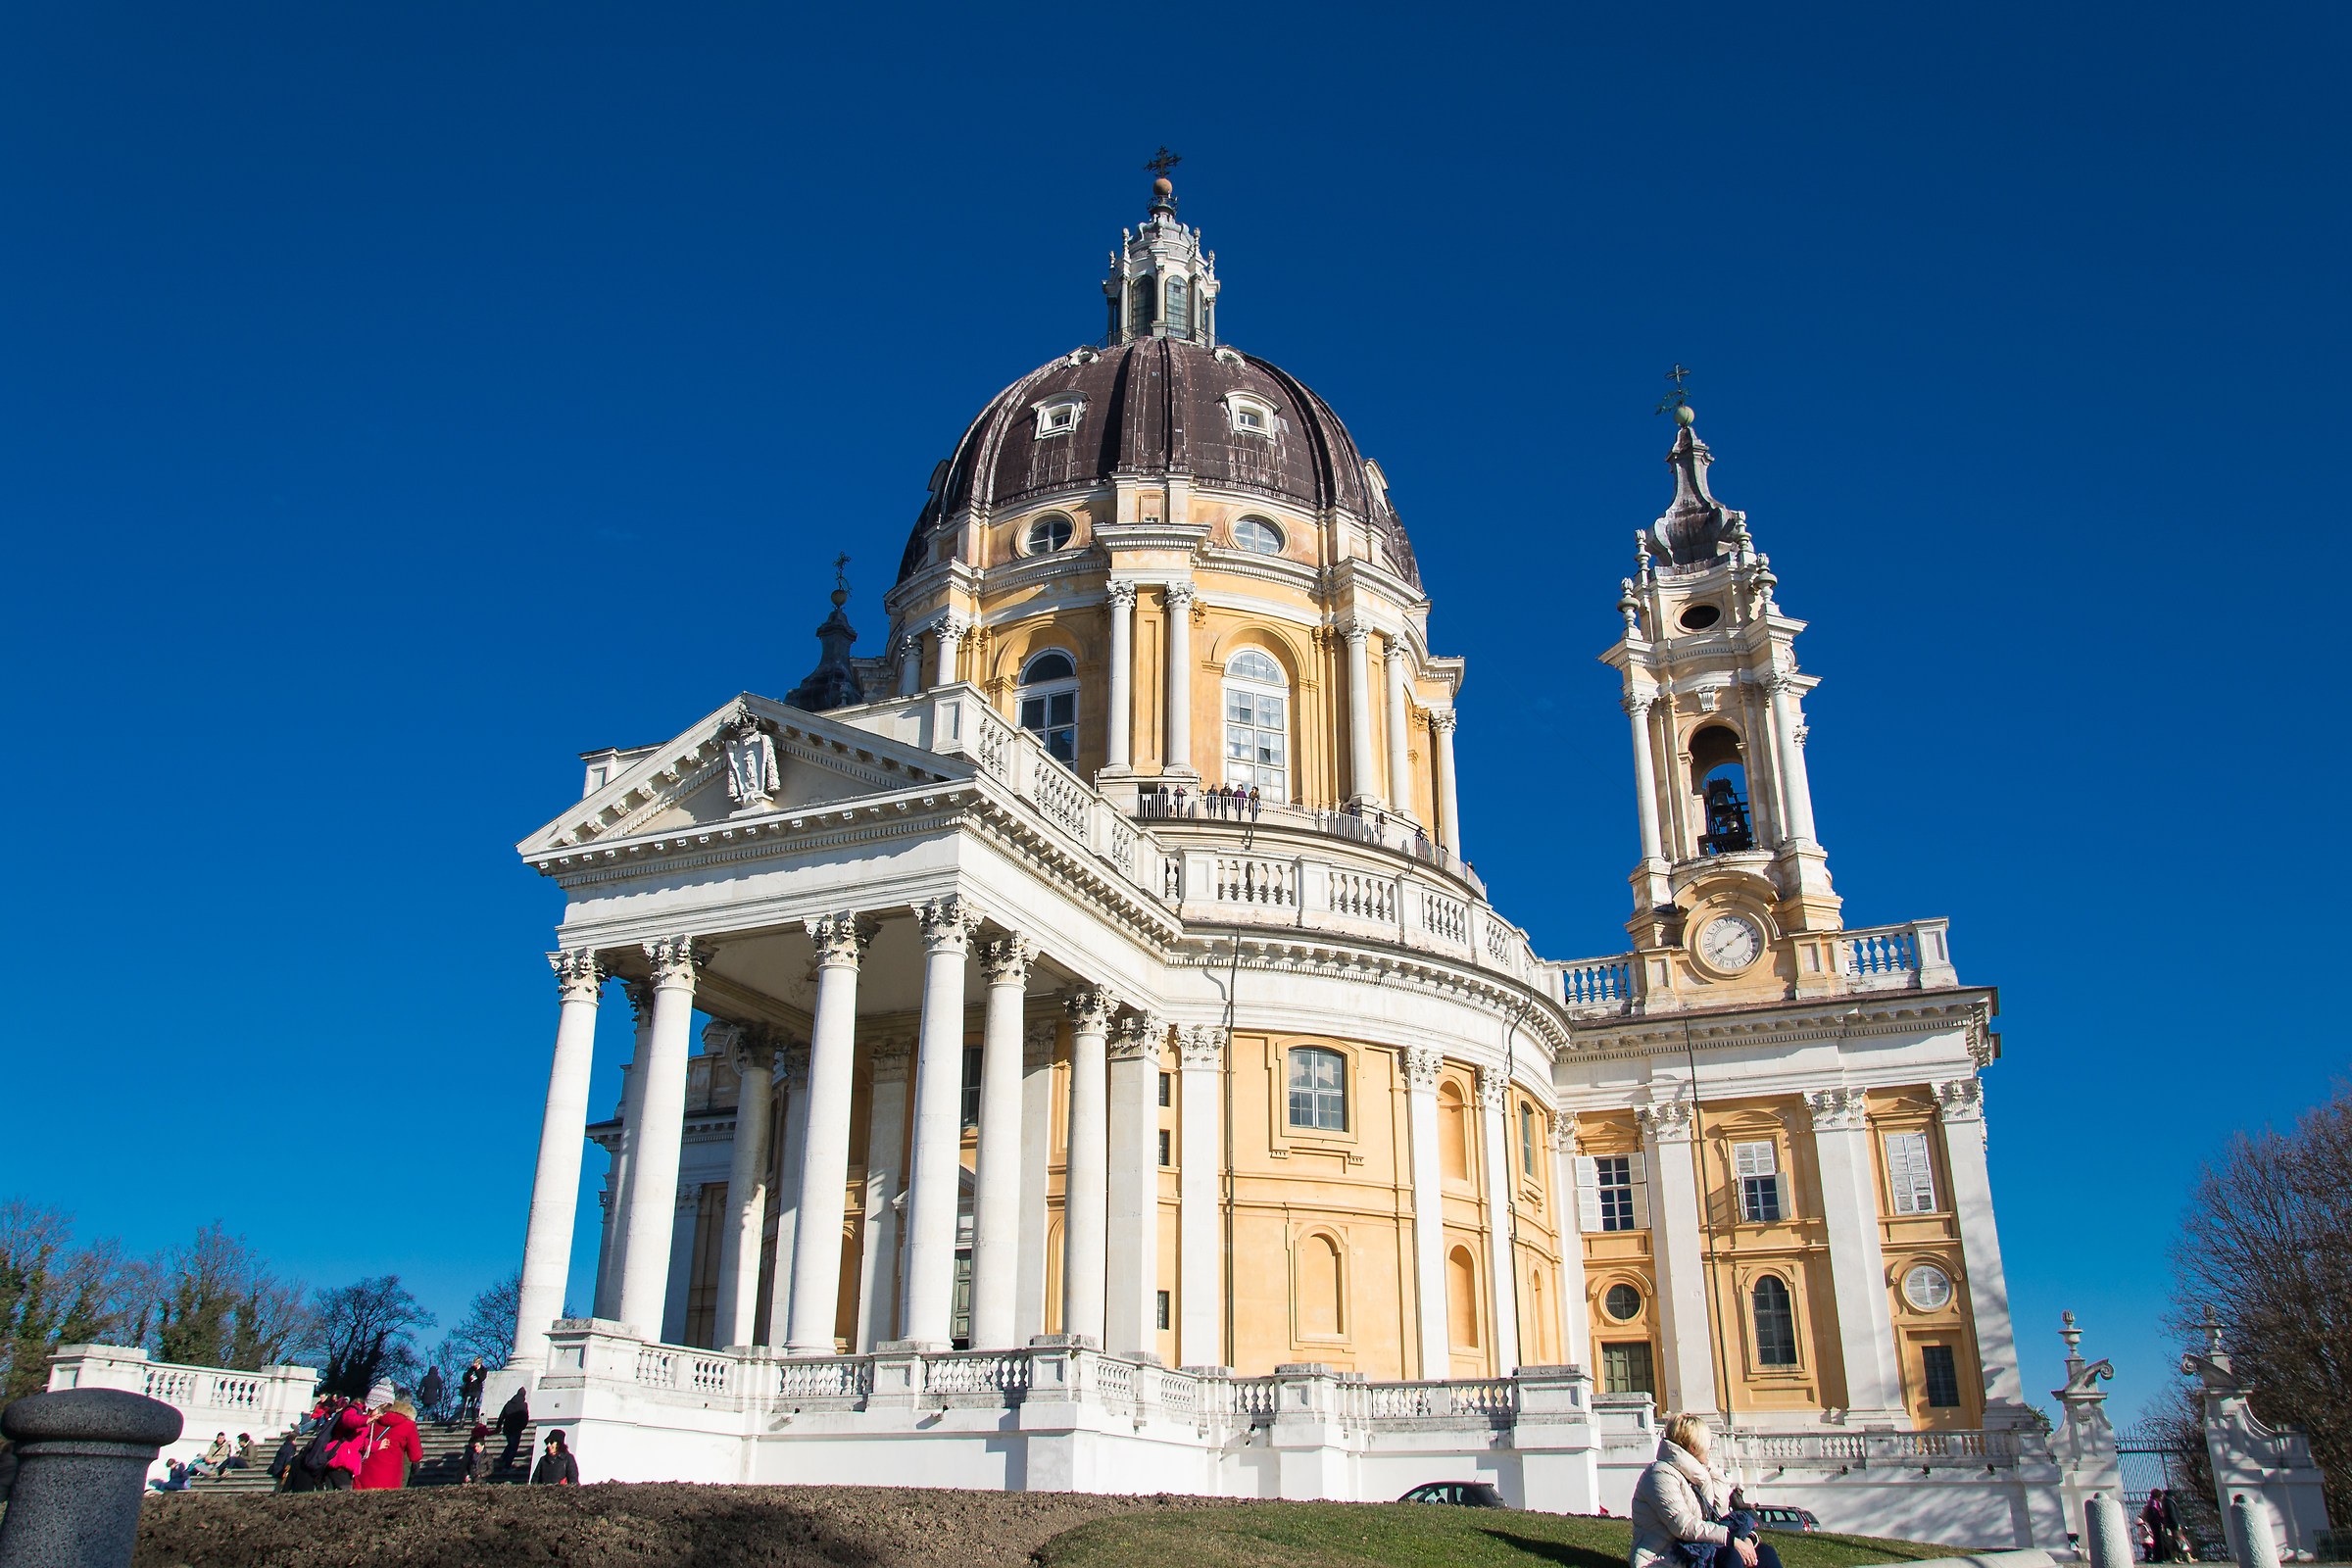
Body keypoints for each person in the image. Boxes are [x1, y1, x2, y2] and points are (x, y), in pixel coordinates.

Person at [1629, 1412, 1782, 1568]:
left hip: (1699, 1548)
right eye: (1708, 1442)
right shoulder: (1660, 1474)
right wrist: (1731, 1540)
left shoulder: (1702, 1475)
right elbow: (1683, 1526)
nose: (1711, 1447)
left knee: (1764, 1553)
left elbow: (1720, 1520)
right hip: (1665, 1557)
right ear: (1693, 1447)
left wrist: (1747, 1539)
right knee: (1729, 1556)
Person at [355, 1397, 424, 1491]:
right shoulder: (409, 1425)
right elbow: (416, 1456)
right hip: (391, 1481)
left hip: (363, 1476)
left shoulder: (372, 1420)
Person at [496, 1385, 531, 1472]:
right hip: (516, 1429)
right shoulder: (523, 1405)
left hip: (507, 1428)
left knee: (510, 1444)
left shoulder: (509, 1403)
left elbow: (501, 1416)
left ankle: (503, 1458)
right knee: (513, 1448)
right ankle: (507, 1466)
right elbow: (525, 1417)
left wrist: (498, 1426)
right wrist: (522, 1427)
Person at [461, 1357, 489, 1422]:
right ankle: (462, 1420)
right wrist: (469, 1377)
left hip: (477, 1390)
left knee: (473, 1405)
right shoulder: (471, 1369)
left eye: (476, 1363)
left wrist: (477, 1370)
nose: (474, 1364)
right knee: (465, 1405)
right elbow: (465, 1378)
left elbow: (481, 1378)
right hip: (469, 1389)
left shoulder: (483, 1370)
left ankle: (473, 1420)